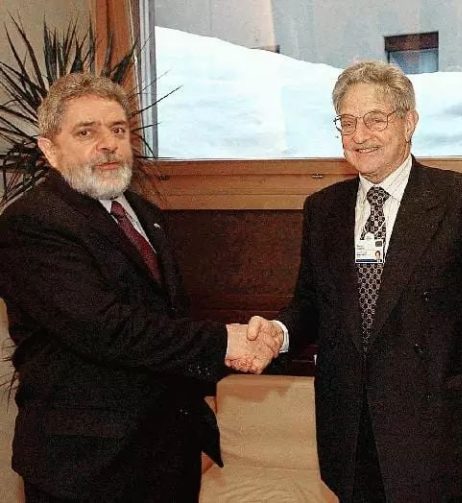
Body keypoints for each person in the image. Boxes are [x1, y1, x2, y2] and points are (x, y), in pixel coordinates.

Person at [247, 61, 462, 502]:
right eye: (347, 122)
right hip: (354, 439)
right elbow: (310, 304)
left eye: (375, 119)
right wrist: (279, 333)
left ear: (409, 122)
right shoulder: (324, 209)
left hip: (443, 439)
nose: (359, 135)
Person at [0, 73, 282, 502]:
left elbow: (166, 318)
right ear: (50, 149)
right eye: (86, 132)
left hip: (166, 455)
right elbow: (104, 328)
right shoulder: (33, 223)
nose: (108, 144)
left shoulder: (144, 213)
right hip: (86, 468)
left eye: (118, 130)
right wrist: (226, 341)